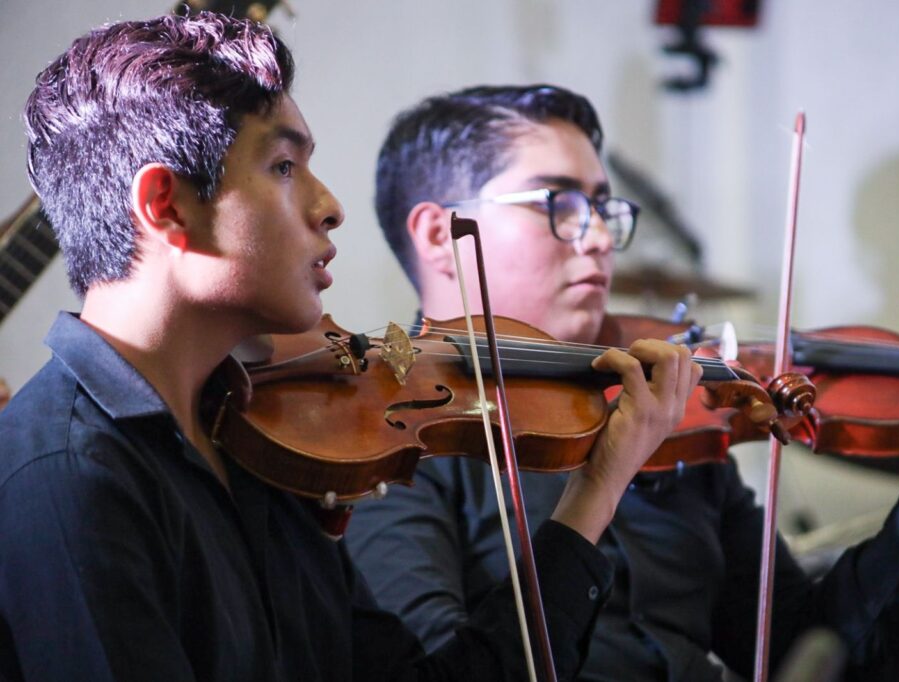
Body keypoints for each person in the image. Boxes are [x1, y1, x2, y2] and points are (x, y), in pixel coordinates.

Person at [0, 17, 701, 681]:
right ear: (167, 206)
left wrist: (594, 491)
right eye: (282, 166)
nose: (329, 204)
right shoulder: (67, 477)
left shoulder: (261, 446)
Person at [344, 84, 899, 681]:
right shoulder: (394, 446)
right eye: (559, 203)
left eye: (603, 209)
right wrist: (600, 488)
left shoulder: (669, 409)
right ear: (439, 233)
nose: (601, 239)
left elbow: (824, 646)